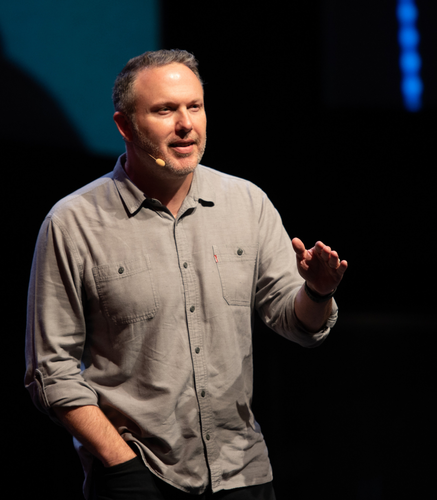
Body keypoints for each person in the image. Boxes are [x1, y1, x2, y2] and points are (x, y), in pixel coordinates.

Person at [25, 49, 348, 500]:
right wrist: (120, 462)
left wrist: (316, 292)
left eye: (194, 106)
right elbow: (50, 371)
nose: (185, 124)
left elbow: (296, 325)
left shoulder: (247, 203)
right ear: (124, 126)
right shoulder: (74, 223)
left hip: (242, 474)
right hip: (139, 476)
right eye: (164, 110)